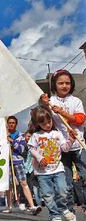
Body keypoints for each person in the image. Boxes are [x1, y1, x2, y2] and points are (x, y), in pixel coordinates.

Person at [41, 69, 86, 214]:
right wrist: (44, 105)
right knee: (66, 182)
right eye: (61, 83)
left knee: (84, 176)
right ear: (55, 85)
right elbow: (44, 121)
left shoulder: (76, 101)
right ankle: (70, 210)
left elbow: (80, 120)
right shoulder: (50, 101)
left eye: (67, 83)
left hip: (78, 145)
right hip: (62, 148)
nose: (64, 86)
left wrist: (63, 113)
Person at [28, 106, 77, 221]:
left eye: (49, 121)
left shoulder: (57, 133)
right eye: (43, 123)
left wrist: (71, 140)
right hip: (42, 172)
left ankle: (63, 208)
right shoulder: (36, 136)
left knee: (63, 190)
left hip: (57, 169)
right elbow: (31, 148)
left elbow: (65, 148)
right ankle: (55, 215)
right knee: (48, 195)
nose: (47, 125)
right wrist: (39, 158)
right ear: (38, 124)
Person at [3, 116, 41, 215]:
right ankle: (9, 206)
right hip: (7, 162)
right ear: (7, 124)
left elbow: (22, 150)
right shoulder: (2, 134)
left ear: (16, 124)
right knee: (9, 185)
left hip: (18, 162)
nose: (11, 124)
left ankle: (32, 206)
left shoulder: (21, 135)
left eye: (13, 123)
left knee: (24, 183)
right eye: (10, 122)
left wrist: (12, 141)